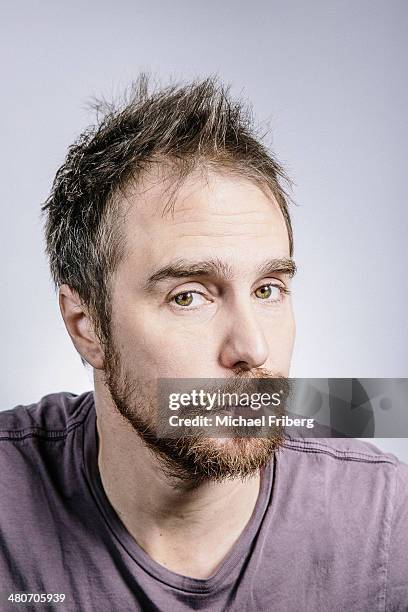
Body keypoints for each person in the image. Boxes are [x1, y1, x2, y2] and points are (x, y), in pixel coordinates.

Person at [0, 76, 407, 612]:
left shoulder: (384, 520)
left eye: (268, 289)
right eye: (190, 296)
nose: (252, 348)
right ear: (85, 324)